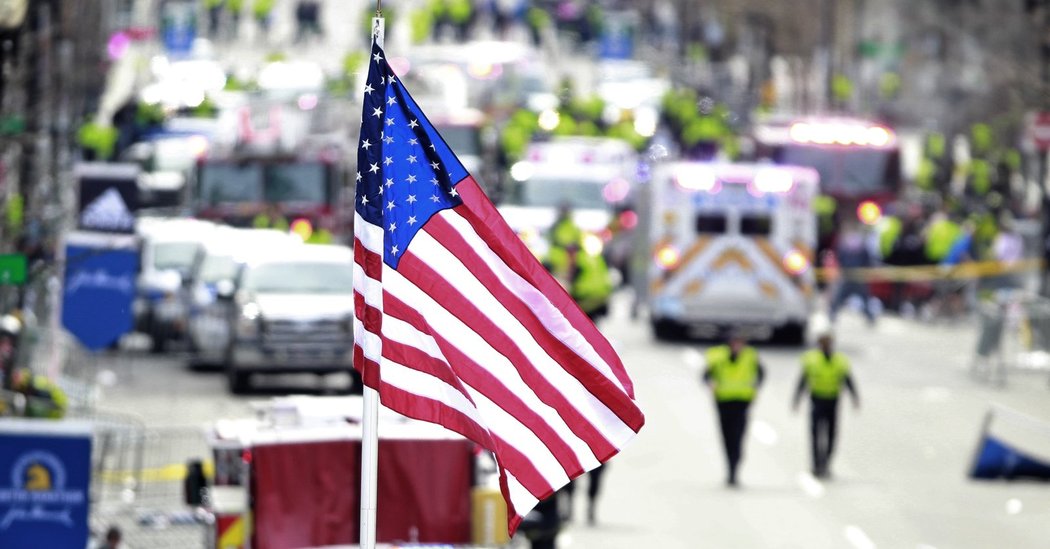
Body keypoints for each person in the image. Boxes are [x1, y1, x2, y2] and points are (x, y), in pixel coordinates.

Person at [792, 328, 859, 479]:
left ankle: (826, 464)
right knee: (816, 434)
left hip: (833, 401)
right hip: (817, 400)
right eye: (823, 342)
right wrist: (796, 399)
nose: (826, 345)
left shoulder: (840, 360)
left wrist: (855, 397)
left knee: (831, 435)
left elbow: (847, 379)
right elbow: (802, 380)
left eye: (828, 342)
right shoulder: (811, 359)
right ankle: (816, 465)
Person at [703, 331, 765, 486]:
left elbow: (762, 373)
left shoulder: (750, 356)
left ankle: (734, 468)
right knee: (727, 437)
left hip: (742, 402)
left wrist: (756, 387)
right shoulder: (717, 356)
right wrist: (711, 383)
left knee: (738, 436)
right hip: (723, 401)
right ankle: (730, 469)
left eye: (740, 343)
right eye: (735, 343)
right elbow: (706, 375)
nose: (738, 346)